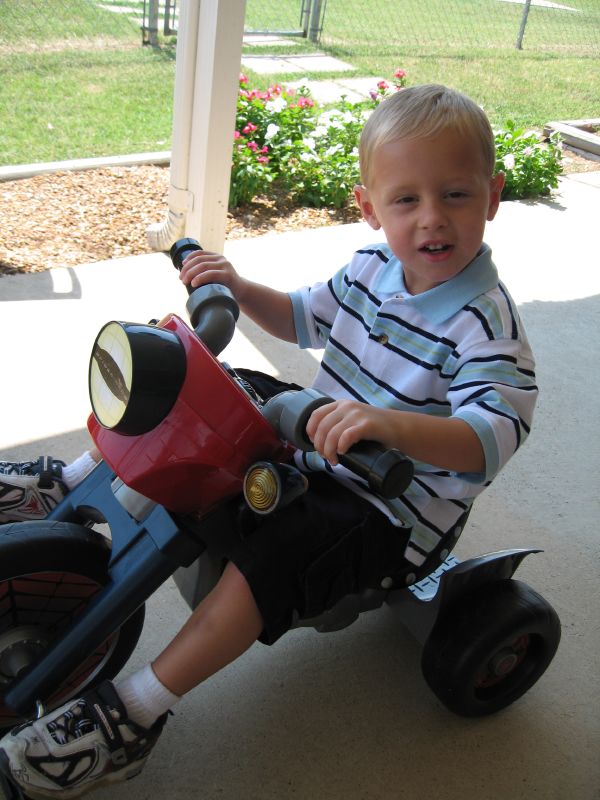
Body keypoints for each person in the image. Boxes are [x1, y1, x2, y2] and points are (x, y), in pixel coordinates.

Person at [0, 84, 537, 799]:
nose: (432, 219)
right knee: (197, 383)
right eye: (406, 201)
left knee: (272, 555)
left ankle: (132, 715)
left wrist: (384, 425)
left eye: (457, 195)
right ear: (369, 207)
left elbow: (488, 438)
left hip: (385, 507)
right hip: (312, 438)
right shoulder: (370, 267)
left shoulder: (487, 326)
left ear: (494, 195)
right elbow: (300, 319)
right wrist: (237, 285)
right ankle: (65, 484)